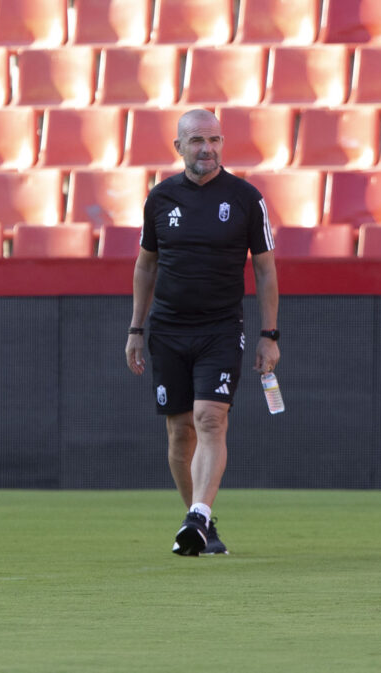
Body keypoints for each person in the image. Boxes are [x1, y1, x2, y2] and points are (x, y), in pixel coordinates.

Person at [126, 109, 280, 556]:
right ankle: (200, 521)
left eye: (214, 139)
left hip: (219, 327)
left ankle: (198, 515)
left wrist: (270, 334)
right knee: (179, 432)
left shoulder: (246, 198)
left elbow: (266, 270)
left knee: (210, 418)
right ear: (179, 147)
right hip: (167, 329)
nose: (207, 148)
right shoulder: (160, 199)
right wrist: (136, 328)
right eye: (196, 141)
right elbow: (145, 265)